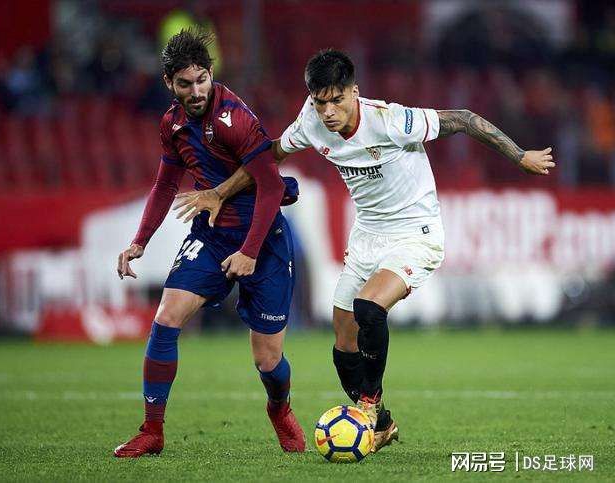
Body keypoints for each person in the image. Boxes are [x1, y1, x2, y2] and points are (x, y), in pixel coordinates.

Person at [172, 49, 555, 453]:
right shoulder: (311, 122)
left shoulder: (391, 120)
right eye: (320, 102)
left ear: (354, 92)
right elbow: (269, 155)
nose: (328, 112)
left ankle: (368, 406)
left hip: (414, 232)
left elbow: (462, 118)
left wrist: (520, 156)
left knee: (369, 307)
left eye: (337, 100)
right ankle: (382, 424)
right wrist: (220, 192)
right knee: (343, 343)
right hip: (367, 236)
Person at [113, 29, 305, 458]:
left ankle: (279, 408)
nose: (196, 91)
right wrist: (140, 241)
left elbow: (272, 187)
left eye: (202, 80)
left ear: (211, 73)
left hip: (263, 239)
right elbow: (165, 184)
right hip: (212, 236)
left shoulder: (235, 119)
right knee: (166, 317)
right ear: (169, 83)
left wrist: (249, 252)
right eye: (186, 83)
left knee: (268, 360)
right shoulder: (172, 124)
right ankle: (152, 430)